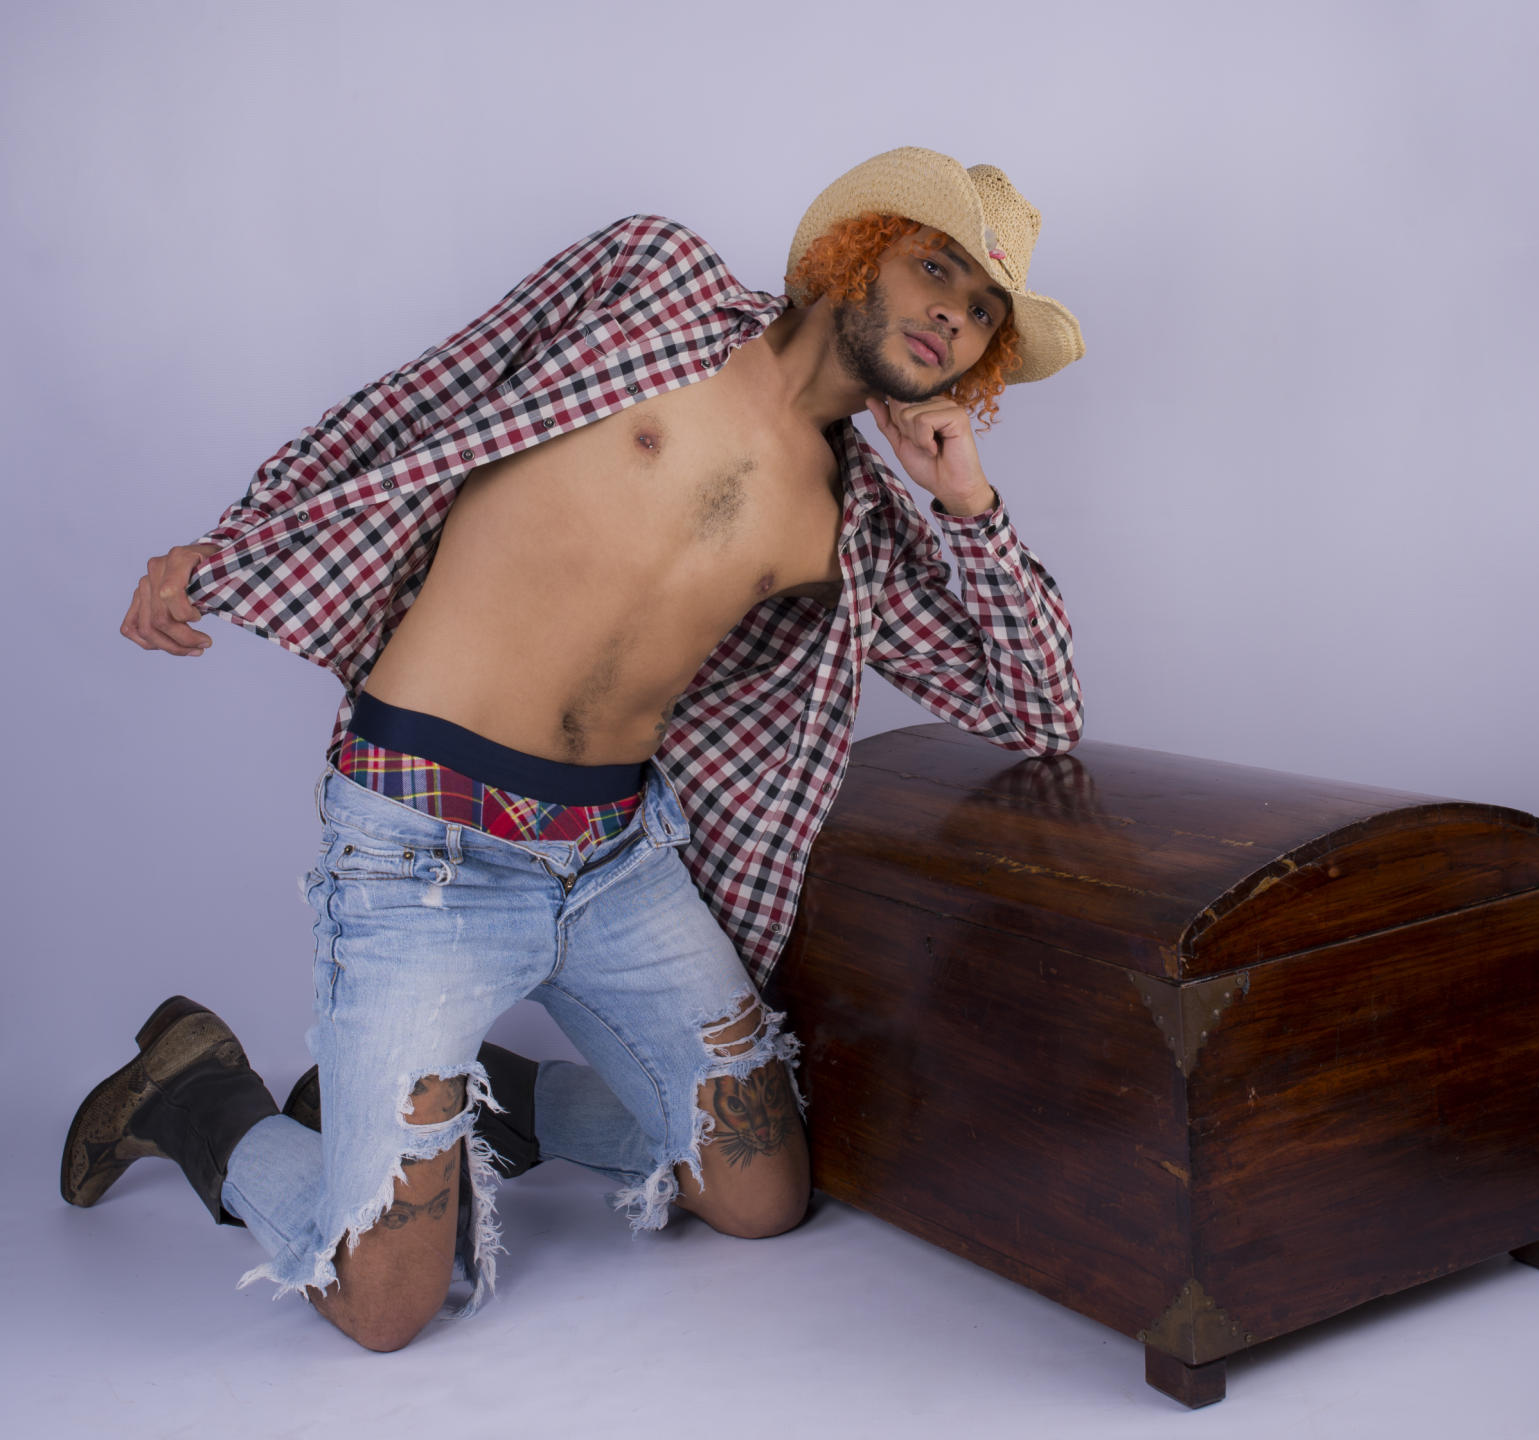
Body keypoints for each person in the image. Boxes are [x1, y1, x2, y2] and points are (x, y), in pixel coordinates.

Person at [61, 146, 1085, 1352]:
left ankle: (506, 1102)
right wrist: (237, 537)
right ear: (858, 250)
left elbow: (1037, 710)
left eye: (983, 314)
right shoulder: (656, 277)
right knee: (388, 1307)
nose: (953, 316)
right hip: (422, 851)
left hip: (616, 867)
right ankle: (197, 1094)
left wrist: (965, 503)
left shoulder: (856, 524)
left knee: (761, 1196)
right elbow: (430, 392)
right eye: (937, 268)